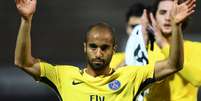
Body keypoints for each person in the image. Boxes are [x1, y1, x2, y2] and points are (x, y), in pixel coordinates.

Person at [15, 0, 185, 100]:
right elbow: (22, 62)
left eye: (105, 48)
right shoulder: (63, 76)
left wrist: (176, 27)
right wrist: (26, 20)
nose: (98, 53)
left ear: (114, 49)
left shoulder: (131, 76)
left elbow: (173, 65)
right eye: (93, 47)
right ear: (84, 47)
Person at [134, 0, 200, 101]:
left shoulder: (195, 47)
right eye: (162, 12)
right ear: (153, 17)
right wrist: (141, 40)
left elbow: (197, 79)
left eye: (174, 12)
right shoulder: (145, 49)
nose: (168, 18)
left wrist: (163, 44)